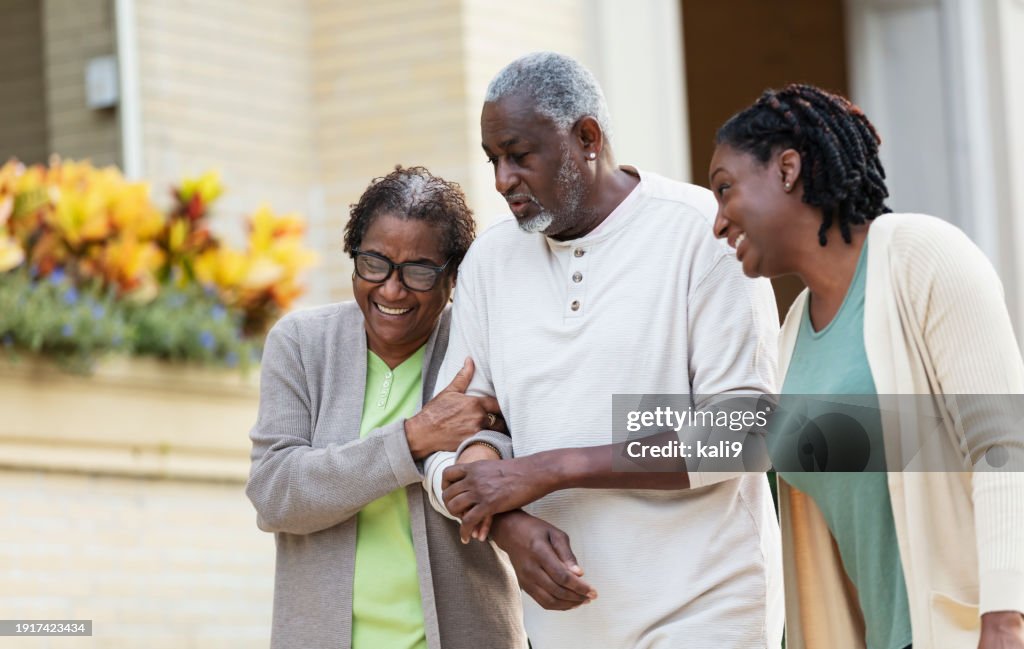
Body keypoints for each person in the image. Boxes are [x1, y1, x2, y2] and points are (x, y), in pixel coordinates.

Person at [423, 52, 784, 649]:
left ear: (586, 137)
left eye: (519, 155)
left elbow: (748, 434)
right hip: (567, 626)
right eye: (493, 160)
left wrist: (551, 468)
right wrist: (507, 522)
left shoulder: (702, 233)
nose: (501, 180)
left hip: (707, 611)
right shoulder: (489, 262)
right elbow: (452, 438)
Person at [708, 84, 1024, 649]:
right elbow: (730, 442)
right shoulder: (793, 332)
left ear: (787, 169)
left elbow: (1004, 446)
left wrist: (1004, 620)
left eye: (725, 189)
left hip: (971, 634)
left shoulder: (921, 255)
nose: (718, 222)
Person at [245, 166, 527, 649]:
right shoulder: (303, 344)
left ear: (454, 275)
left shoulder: (479, 349)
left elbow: (500, 456)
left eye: (418, 271)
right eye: (374, 263)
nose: (392, 290)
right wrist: (411, 439)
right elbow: (274, 493)